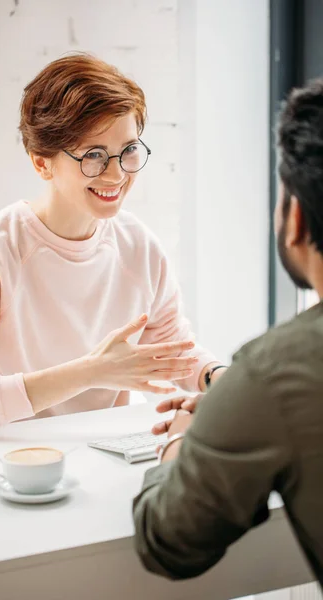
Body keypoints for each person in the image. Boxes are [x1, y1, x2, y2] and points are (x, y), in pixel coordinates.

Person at [0, 53, 225, 437]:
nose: (116, 174)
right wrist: (91, 371)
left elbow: (174, 352)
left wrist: (222, 380)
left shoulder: (139, 247)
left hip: (94, 452)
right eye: (94, 155)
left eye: (128, 150)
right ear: (41, 163)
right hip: (3, 462)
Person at [133, 78, 323, 587]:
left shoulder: (276, 372)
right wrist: (229, 407)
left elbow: (168, 539)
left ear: (296, 218)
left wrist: (182, 442)